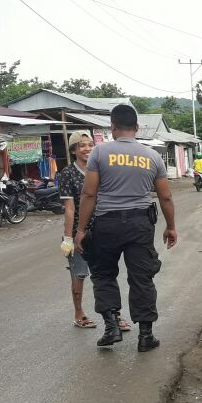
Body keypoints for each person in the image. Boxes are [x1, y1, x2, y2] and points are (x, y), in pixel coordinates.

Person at [75, 104, 177, 351]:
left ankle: (112, 328)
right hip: (140, 223)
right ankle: (145, 336)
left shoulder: (99, 153)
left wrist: (80, 230)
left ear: (112, 127)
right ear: (137, 128)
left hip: (106, 223)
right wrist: (171, 226)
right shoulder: (152, 156)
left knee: (103, 274)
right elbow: (165, 197)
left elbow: (89, 194)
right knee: (141, 278)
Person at [59, 131, 130, 334]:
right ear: (73, 150)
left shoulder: (101, 170)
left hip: (104, 230)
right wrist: (68, 238)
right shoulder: (67, 174)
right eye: (82, 145)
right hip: (79, 234)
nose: (87, 149)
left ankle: (115, 315)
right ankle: (79, 314)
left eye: (90, 145)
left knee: (107, 274)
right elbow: (70, 209)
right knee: (79, 275)